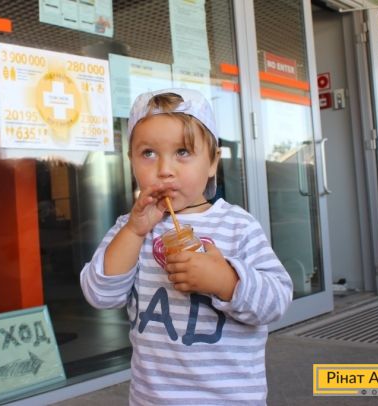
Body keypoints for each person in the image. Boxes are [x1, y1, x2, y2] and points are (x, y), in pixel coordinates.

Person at [80, 88, 293, 405]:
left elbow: (276, 301)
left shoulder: (238, 225)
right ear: (131, 162)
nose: (164, 169)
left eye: (182, 152)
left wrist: (226, 281)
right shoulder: (132, 227)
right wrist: (134, 231)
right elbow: (101, 295)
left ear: (212, 162)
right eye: (148, 153)